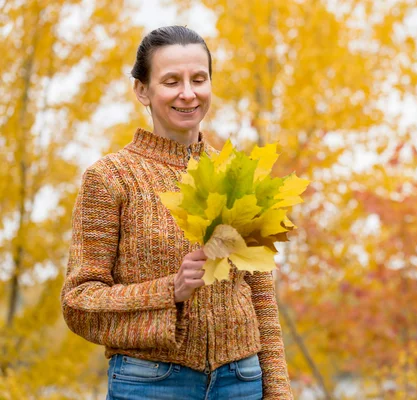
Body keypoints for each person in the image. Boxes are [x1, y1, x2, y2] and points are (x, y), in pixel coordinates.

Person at [60, 25, 293, 400]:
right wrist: (171, 290)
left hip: (243, 380)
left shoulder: (236, 175)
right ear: (142, 90)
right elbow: (79, 303)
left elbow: (261, 296)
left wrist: (278, 390)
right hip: (150, 382)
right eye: (171, 81)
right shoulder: (110, 178)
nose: (188, 93)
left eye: (198, 79)